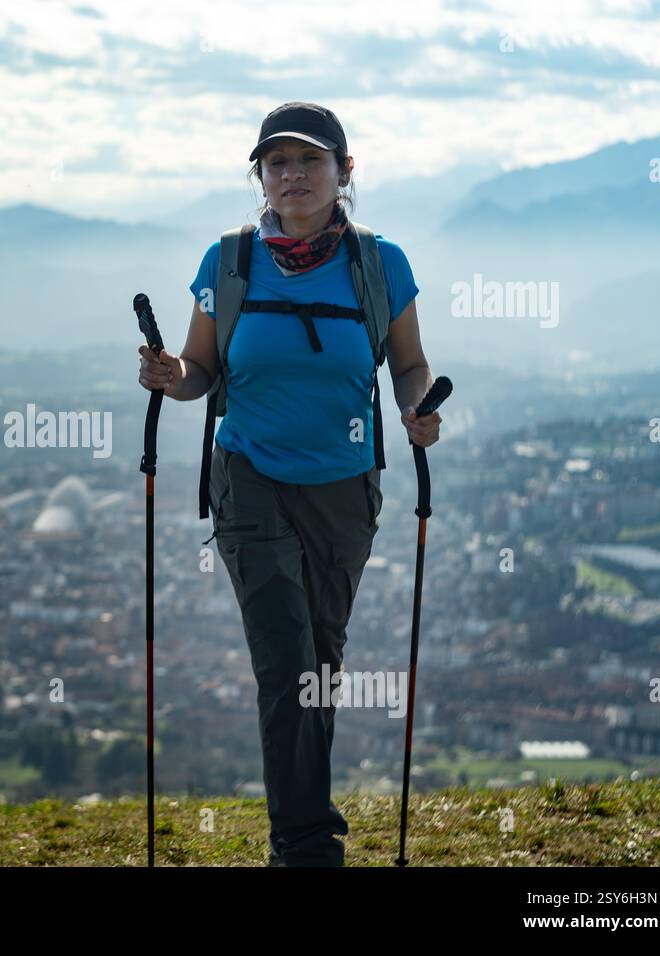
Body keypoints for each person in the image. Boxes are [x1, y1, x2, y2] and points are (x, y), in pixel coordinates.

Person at [137, 102, 441, 867]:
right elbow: (201, 371)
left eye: (310, 160)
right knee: (288, 662)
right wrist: (172, 378)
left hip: (345, 487)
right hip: (250, 480)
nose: (293, 175)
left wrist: (417, 410)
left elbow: (408, 363)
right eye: (277, 163)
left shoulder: (379, 264)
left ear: (345, 172)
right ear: (260, 178)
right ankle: (307, 846)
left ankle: (303, 831)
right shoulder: (229, 263)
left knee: (321, 663)